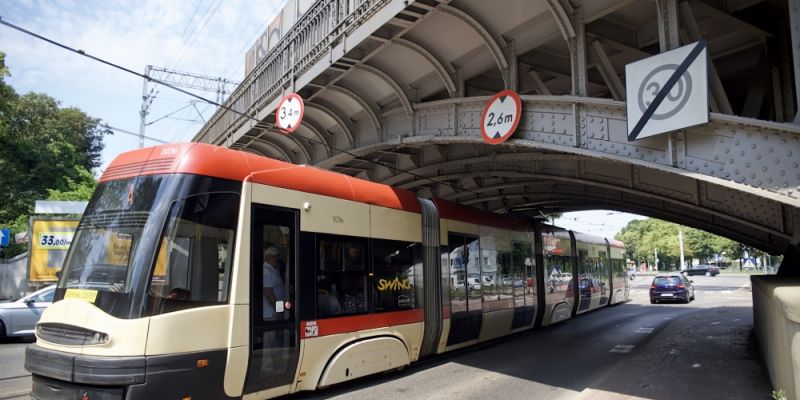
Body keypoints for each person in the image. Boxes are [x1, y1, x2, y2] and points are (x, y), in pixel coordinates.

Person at [262, 246, 286, 321]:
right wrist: (279, 310)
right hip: (270, 313)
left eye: (276, 256)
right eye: (273, 256)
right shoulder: (267, 271)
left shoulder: (273, 268)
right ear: (267, 257)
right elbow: (269, 292)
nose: (276, 258)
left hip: (273, 312)